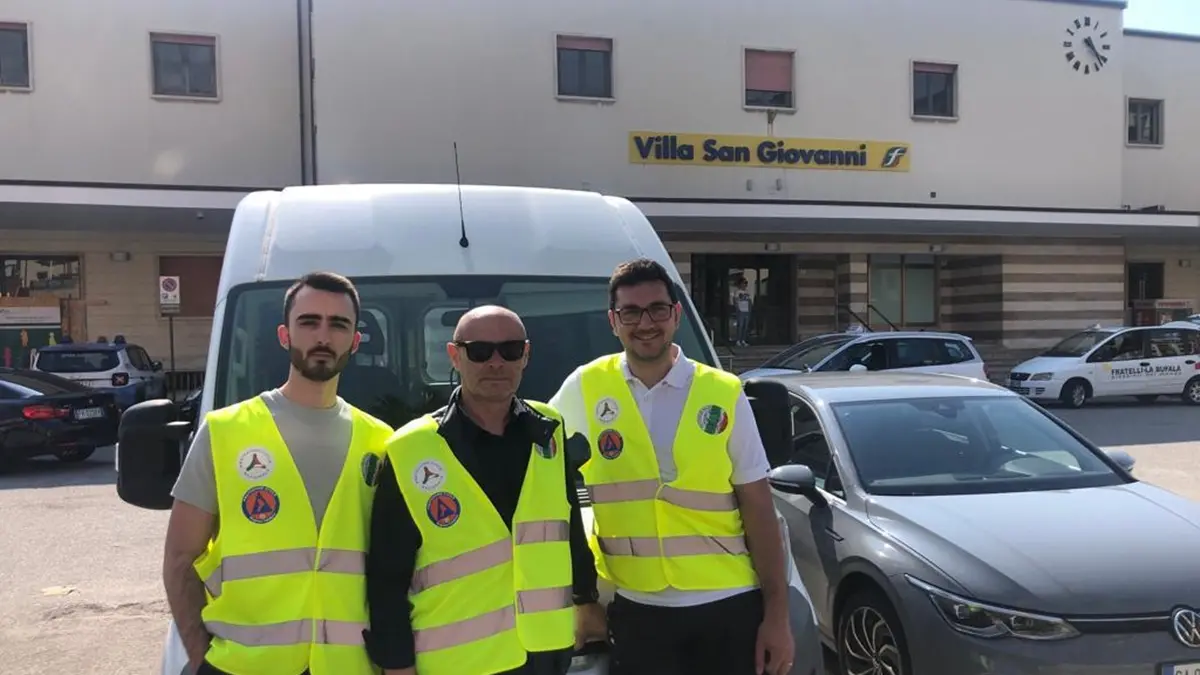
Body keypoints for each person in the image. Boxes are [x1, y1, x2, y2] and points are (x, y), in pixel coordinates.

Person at [549, 258, 795, 675]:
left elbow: (759, 507)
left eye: (657, 309)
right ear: (613, 321)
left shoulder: (723, 391)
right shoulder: (585, 386)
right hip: (636, 610)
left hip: (729, 606)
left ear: (676, 314)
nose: (645, 323)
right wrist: (581, 597)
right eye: (631, 312)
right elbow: (537, 470)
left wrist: (777, 615)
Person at [162, 271, 395, 675]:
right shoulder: (224, 431)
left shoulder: (381, 440)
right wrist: (200, 658)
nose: (323, 336)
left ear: (355, 341)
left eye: (338, 324)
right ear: (285, 335)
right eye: (309, 322)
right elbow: (180, 557)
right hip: (243, 667)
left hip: (347, 666)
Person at [363, 305, 606, 675]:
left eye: (510, 350)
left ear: (526, 355)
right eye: (479, 351)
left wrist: (586, 597)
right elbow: (386, 576)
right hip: (457, 663)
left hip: (546, 653)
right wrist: (397, 665)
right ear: (454, 356)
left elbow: (569, 525)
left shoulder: (549, 428)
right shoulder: (410, 449)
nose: (496, 362)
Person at [733, 277, 753, 347]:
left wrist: (750, 310)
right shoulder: (737, 291)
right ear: (740, 284)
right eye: (744, 283)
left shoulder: (747, 292)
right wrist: (737, 308)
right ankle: (738, 340)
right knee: (740, 325)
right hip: (740, 311)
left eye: (746, 283)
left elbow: (750, 301)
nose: (745, 285)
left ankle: (743, 340)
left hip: (746, 311)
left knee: (745, 326)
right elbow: (735, 301)